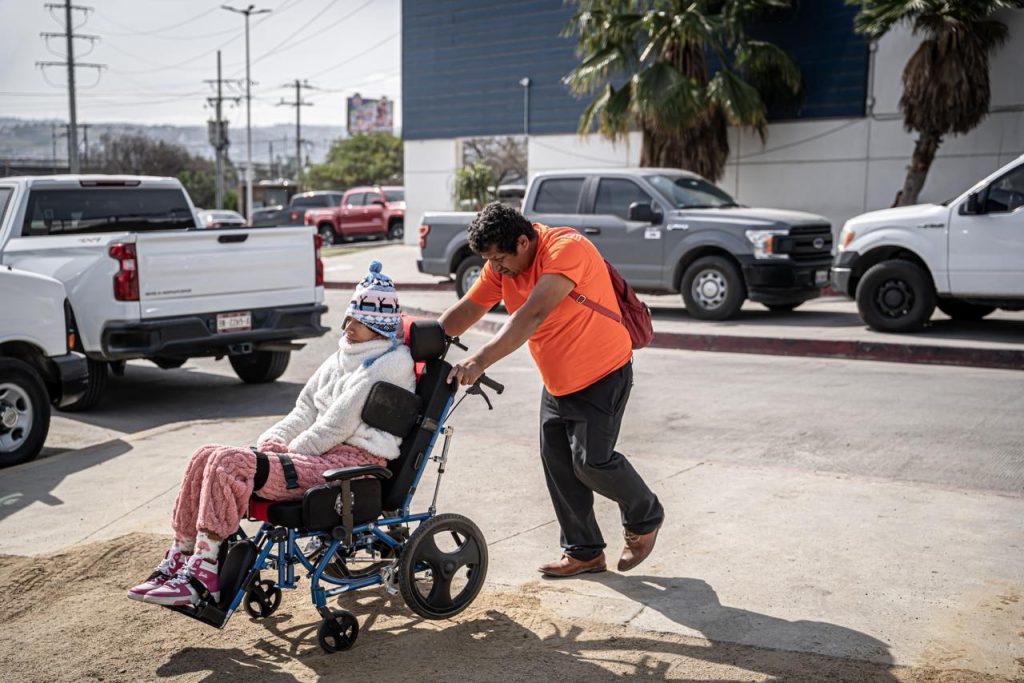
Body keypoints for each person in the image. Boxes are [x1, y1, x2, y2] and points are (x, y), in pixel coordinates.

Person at [128, 261, 415, 606]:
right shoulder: (345, 355)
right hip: (316, 455)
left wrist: (285, 455)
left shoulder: (390, 362)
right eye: (349, 318)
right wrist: (272, 441)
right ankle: (181, 554)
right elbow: (305, 409)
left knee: (230, 464)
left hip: (351, 462)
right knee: (204, 455)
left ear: (380, 326)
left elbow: (338, 424)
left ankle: (204, 572)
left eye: (359, 321)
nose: (348, 326)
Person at [439, 203, 664, 578]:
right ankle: (584, 551)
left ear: (523, 242)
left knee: (591, 462)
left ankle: (645, 517)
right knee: (559, 465)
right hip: (558, 381)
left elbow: (532, 314)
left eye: (499, 259)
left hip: (602, 373)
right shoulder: (502, 266)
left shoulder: (566, 249)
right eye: (488, 260)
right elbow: (469, 308)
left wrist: (479, 361)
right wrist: (425, 340)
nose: (494, 268)